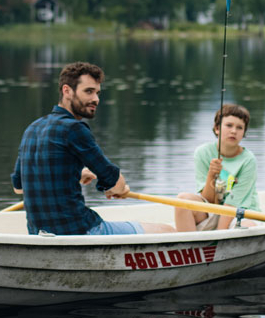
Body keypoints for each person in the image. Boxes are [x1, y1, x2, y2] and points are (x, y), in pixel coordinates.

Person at [11, 61, 173, 236]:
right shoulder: (74, 128)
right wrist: (120, 188)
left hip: (38, 233)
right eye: (88, 91)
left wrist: (74, 175)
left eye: (97, 92)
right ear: (67, 91)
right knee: (167, 231)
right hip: (80, 231)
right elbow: (113, 181)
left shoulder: (32, 128)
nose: (96, 99)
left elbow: (19, 187)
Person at [173, 104, 259, 231]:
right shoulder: (203, 152)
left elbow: (233, 203)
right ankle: (189, 247)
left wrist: (219, 236)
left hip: (240, 211)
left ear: (243, 133)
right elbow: (207, 199)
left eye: (239, 127)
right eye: (229, 125)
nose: (234, 131)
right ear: (217, 128)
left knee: (246, 227)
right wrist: (211, 175)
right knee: (182, 200)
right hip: (214, 208)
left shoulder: (248, 160)